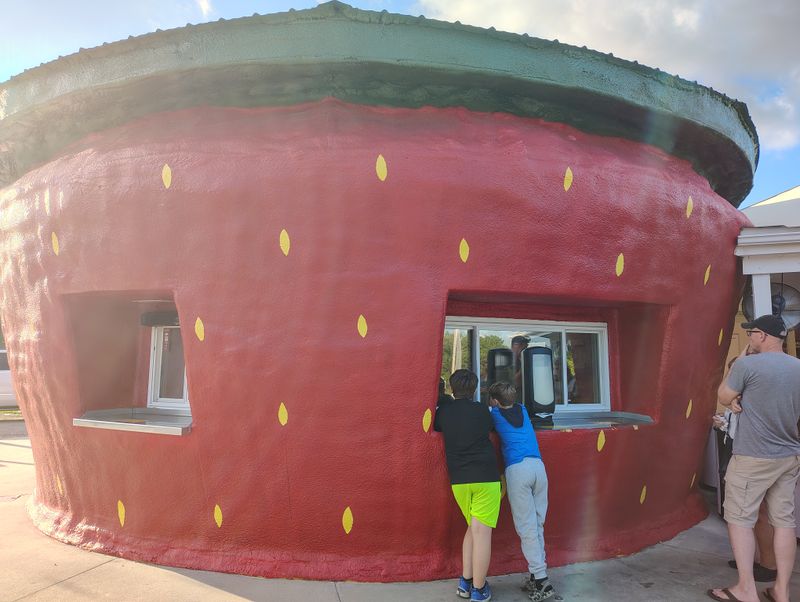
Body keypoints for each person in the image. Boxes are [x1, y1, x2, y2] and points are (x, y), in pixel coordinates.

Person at [708, 314, 800, 602]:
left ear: (762, 336)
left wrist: (741, 361)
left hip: (752, 456)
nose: (749, 337)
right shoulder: (797, 367)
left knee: (739, 520)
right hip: (788, 455)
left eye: (752, 333)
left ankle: (746, 590)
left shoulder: (747, 364)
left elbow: (723, 396)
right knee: (784, 522)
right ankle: (781, 591)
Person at [434, 369, 501, 601]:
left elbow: (437, 426)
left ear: (452, 388)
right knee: (482, 533)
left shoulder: (444, 412)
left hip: (459, 481)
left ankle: (466, 582)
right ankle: (479, 590)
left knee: (473, 529)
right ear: (474, 389)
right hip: (486, 478)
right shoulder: (482, 410)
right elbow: (492, 427)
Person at [487, 382, 556, 602]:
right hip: (538, 468)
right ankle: (536, 575)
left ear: (495, 401)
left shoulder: (495, 414)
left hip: (518, 470)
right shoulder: (523, 410)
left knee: (527, 528)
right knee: (537, 525)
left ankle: (542, 581)